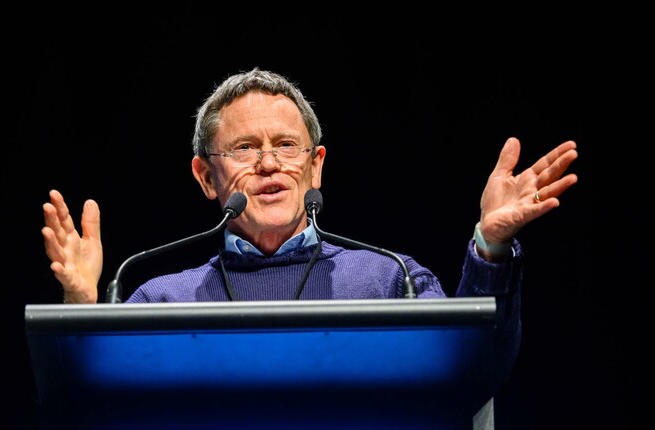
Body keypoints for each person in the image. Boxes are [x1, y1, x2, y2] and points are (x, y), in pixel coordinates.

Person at [41, 67, 578, 399]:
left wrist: (489, 247)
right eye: (245, 148)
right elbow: (86, 407)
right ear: (207, 177)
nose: (270, 163)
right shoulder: (159, 297)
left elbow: (475, 374)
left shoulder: (390, 279)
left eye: (287, 146)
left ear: (315, 167)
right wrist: (79, 307)